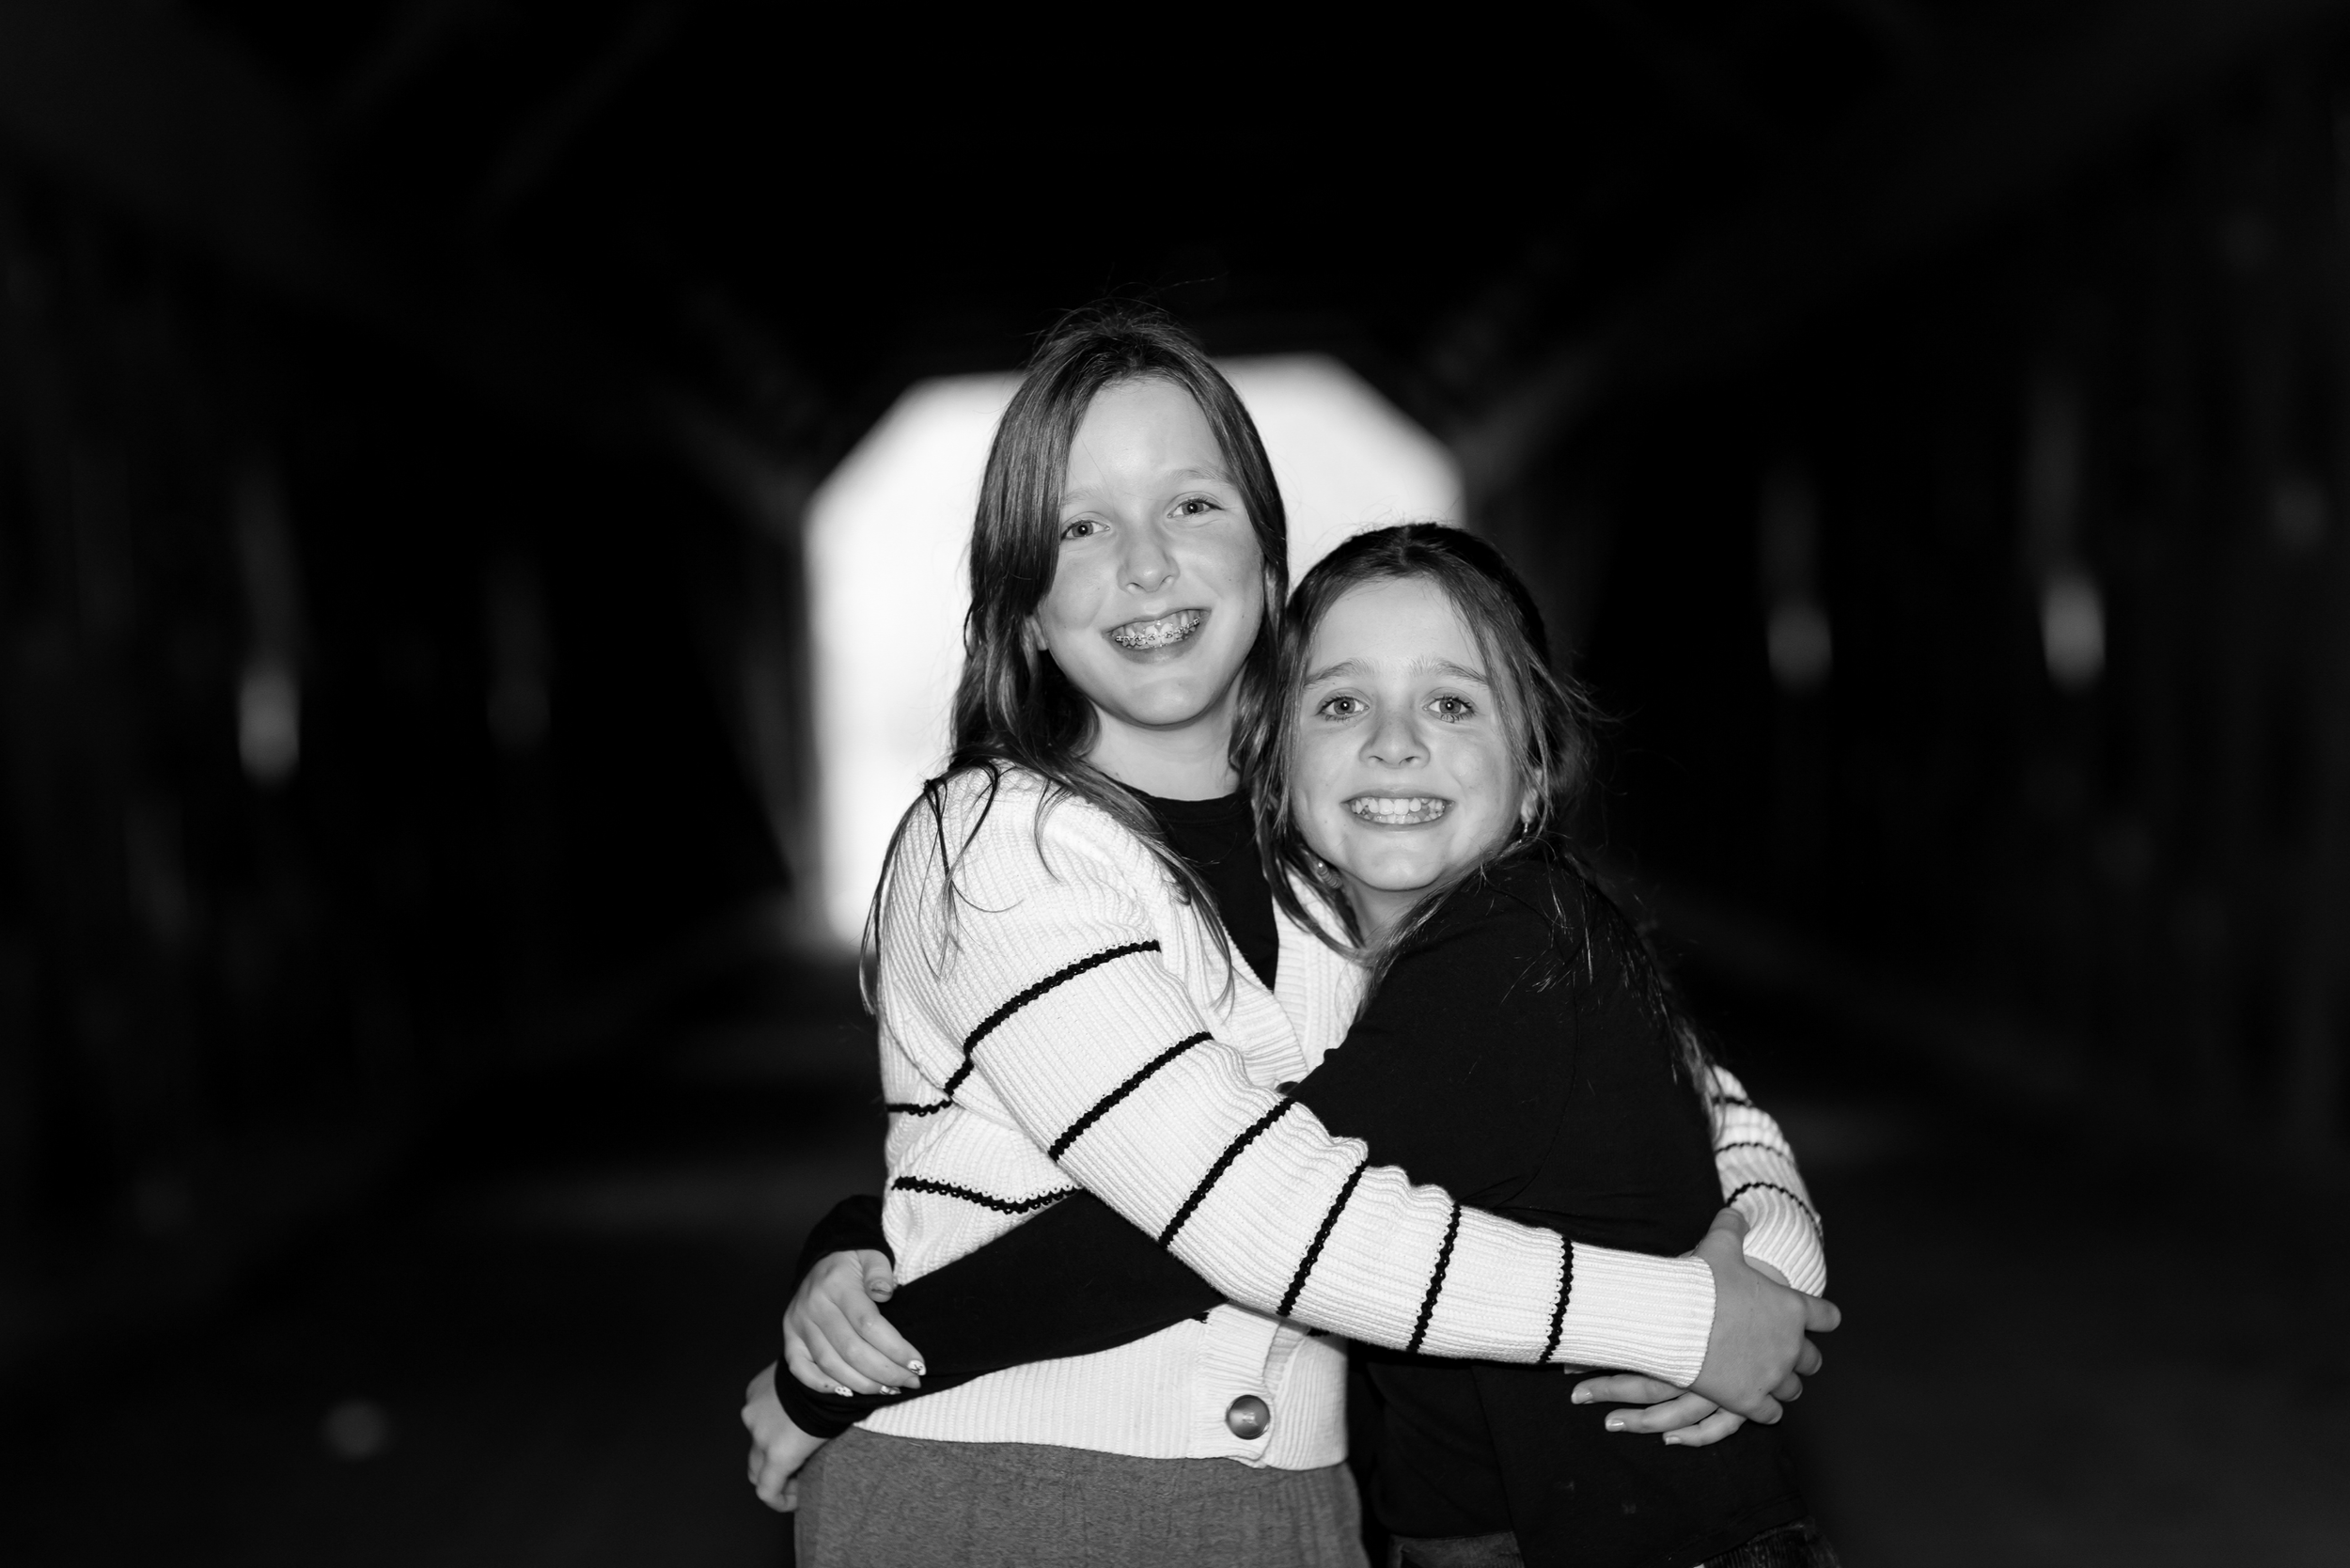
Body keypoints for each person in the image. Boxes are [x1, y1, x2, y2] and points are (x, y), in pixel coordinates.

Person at [746, 306, 1835, 1567]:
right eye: (1081, 526)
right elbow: (1259, 1214)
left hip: (1293, 1515)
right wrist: (1683, 1316)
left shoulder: (1332, 864)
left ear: (1268, 562)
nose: (1146, 566)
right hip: (1008, 1502)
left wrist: (1769, 1259)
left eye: (1191, 506)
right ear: (1028, 610)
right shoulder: (1001, 844)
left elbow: (1687, 1087)